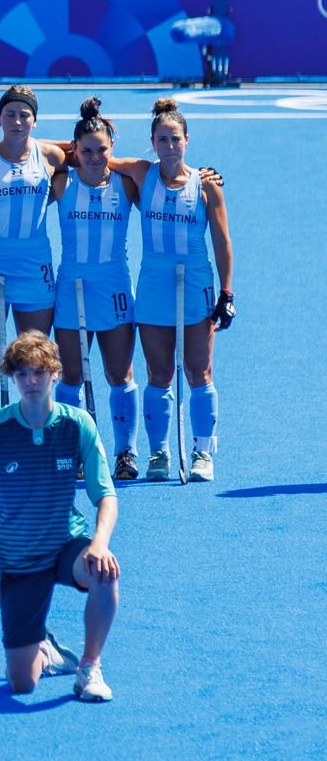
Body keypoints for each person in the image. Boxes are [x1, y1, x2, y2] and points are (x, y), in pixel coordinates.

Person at [0, 332, 120, 702]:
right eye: (21, 374)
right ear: (12, 378)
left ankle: (89, 666)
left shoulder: (78, 423)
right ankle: (46, 650)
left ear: (55, 375)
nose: (30, 382)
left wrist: (99, 544)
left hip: (67, 544)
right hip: (20, 561)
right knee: (22, 684)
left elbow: (106, 495)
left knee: (105, 572)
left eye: (38, 372)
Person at [111, 98, 234, 482]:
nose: (169, 146)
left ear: (187, 141)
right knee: (159, 372)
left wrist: (226, 294)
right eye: (162, 140)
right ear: (152, 142)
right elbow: (90, 155)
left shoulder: (206, 186)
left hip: (196, 283)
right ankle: (160, 453)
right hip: (153, 286)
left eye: (175, 139)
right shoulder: (141, 174)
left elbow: (223, 243)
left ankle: (202, 451)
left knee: (199, 370)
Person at [0, 86, 68, 437]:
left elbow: (95, 156)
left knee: (35, 360)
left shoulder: (51, 157)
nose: (17, 121)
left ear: (35, 121)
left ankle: (37, 431)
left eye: (25, 115)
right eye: (10, 114)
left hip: (34, 265)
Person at [51, 99, 142, 481]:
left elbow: (169, 176)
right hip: (71, 289)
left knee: (119, 374)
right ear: (74, 151)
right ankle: (73, 450)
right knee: (71, 377)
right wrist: (66, 154)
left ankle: (125, 451)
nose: (94, 157)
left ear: (112, 150)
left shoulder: (127, 184)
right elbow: (28, 152)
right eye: (85, 150)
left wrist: (203, 176)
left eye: (102, 150)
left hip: (115, 288)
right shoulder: (61, 182)